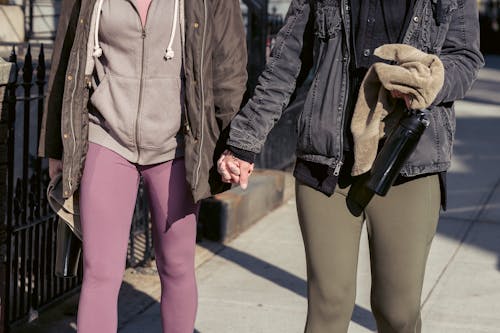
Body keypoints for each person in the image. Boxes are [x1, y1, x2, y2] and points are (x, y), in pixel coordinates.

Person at [218, 0, 484, 332]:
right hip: (327, 161)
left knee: (397, 312)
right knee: (328, 307)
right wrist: (244, 142)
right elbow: (286, 62)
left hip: (408, 164)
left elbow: (465, 58)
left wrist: (429, 81)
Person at [38, 0, 247, 332]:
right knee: (100, 271)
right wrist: (55, 145)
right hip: (106, 134)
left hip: (177, 144)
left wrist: (235, 146)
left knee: (176, 267)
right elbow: (67, 55)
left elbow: (230, 66)